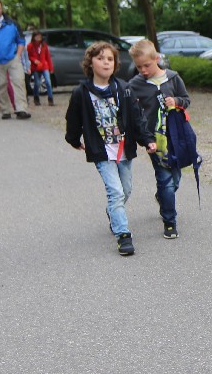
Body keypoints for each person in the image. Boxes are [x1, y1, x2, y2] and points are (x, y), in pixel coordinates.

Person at [64, 41, 156, 257]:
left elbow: (137, 118)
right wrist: (73, 139)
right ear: (90, 63)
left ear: (115, 64)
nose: (106, 62)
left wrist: (147, 139)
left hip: (124, 148)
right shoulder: (81, 93)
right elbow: (73, 120)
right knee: (115, 192)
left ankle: (113, 212)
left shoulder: (124, 89)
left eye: (110, 59)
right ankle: (123, 235)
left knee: (126, 190)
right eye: (100, 58)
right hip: (101, 151)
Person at [127, 39, 191, 239]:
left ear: (156, 59)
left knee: (175, 179)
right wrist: (142, 138)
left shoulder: (173, 78)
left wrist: (177, 101)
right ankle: (169, 222)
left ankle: (162, 196)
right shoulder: (135, 85)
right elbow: (132, 112)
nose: (143, 70)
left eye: (146, 65)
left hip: (175, 136)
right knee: (165, 180)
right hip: (154, 140)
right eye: (139, 67)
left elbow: (186, 100)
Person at [26, 30, 55, 107]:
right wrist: (34, 60)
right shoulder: (30, 46)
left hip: (44, 65)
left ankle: (50, 98)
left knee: (48, 82)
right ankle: (36, 97)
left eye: (40, 36)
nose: (39, 38)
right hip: (36, 67)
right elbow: (28, 56)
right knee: (37, 83)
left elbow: (48, 57)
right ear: (34, 37)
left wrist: (51, 68)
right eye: (37, 36)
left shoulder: (44, 45)